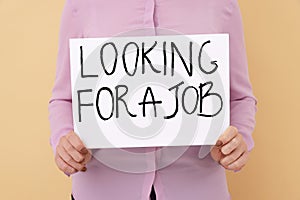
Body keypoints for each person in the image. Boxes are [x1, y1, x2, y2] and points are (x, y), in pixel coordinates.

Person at [48, 0, 257, 199]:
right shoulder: (83, 4)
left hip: (198, 187)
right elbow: (64, 98)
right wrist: (65, 143)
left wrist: (238, 142)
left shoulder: (220, 4)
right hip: (101, 188)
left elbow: (239, 97)